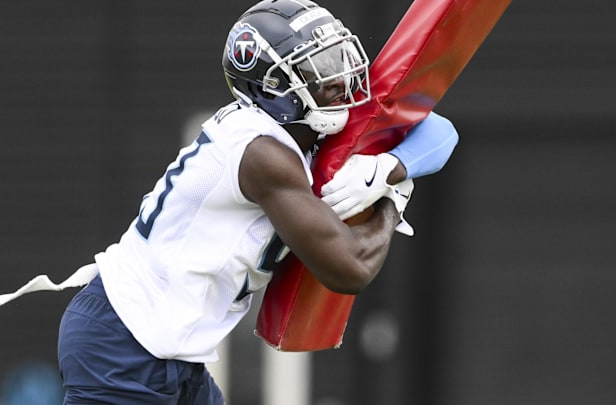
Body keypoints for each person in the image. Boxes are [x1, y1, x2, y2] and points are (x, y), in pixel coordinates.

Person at [56, 0, 459, 404]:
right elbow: (350, 268)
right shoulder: (262, 153)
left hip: (166, 346)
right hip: (123, 337)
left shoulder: (300, 131)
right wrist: (392, 198)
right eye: (315, 67)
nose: (339, 79)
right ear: (272, 86)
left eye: (335, 57)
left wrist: (392, 166)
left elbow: (439, 130)